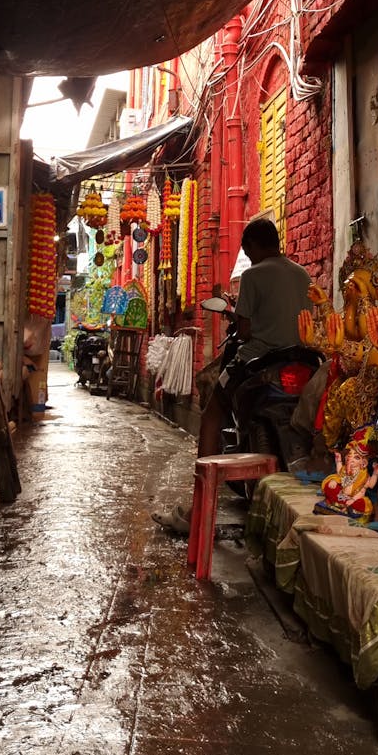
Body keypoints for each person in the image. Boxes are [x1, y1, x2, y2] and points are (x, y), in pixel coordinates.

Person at [154, 217, 312, 534]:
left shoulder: (253, 275)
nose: (248, 255)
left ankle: (199, 510)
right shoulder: (301, 273)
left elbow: (244, 329)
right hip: (302, 359)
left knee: (212, 412)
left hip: (259, 361)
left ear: (253, 246)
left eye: (247, 249)